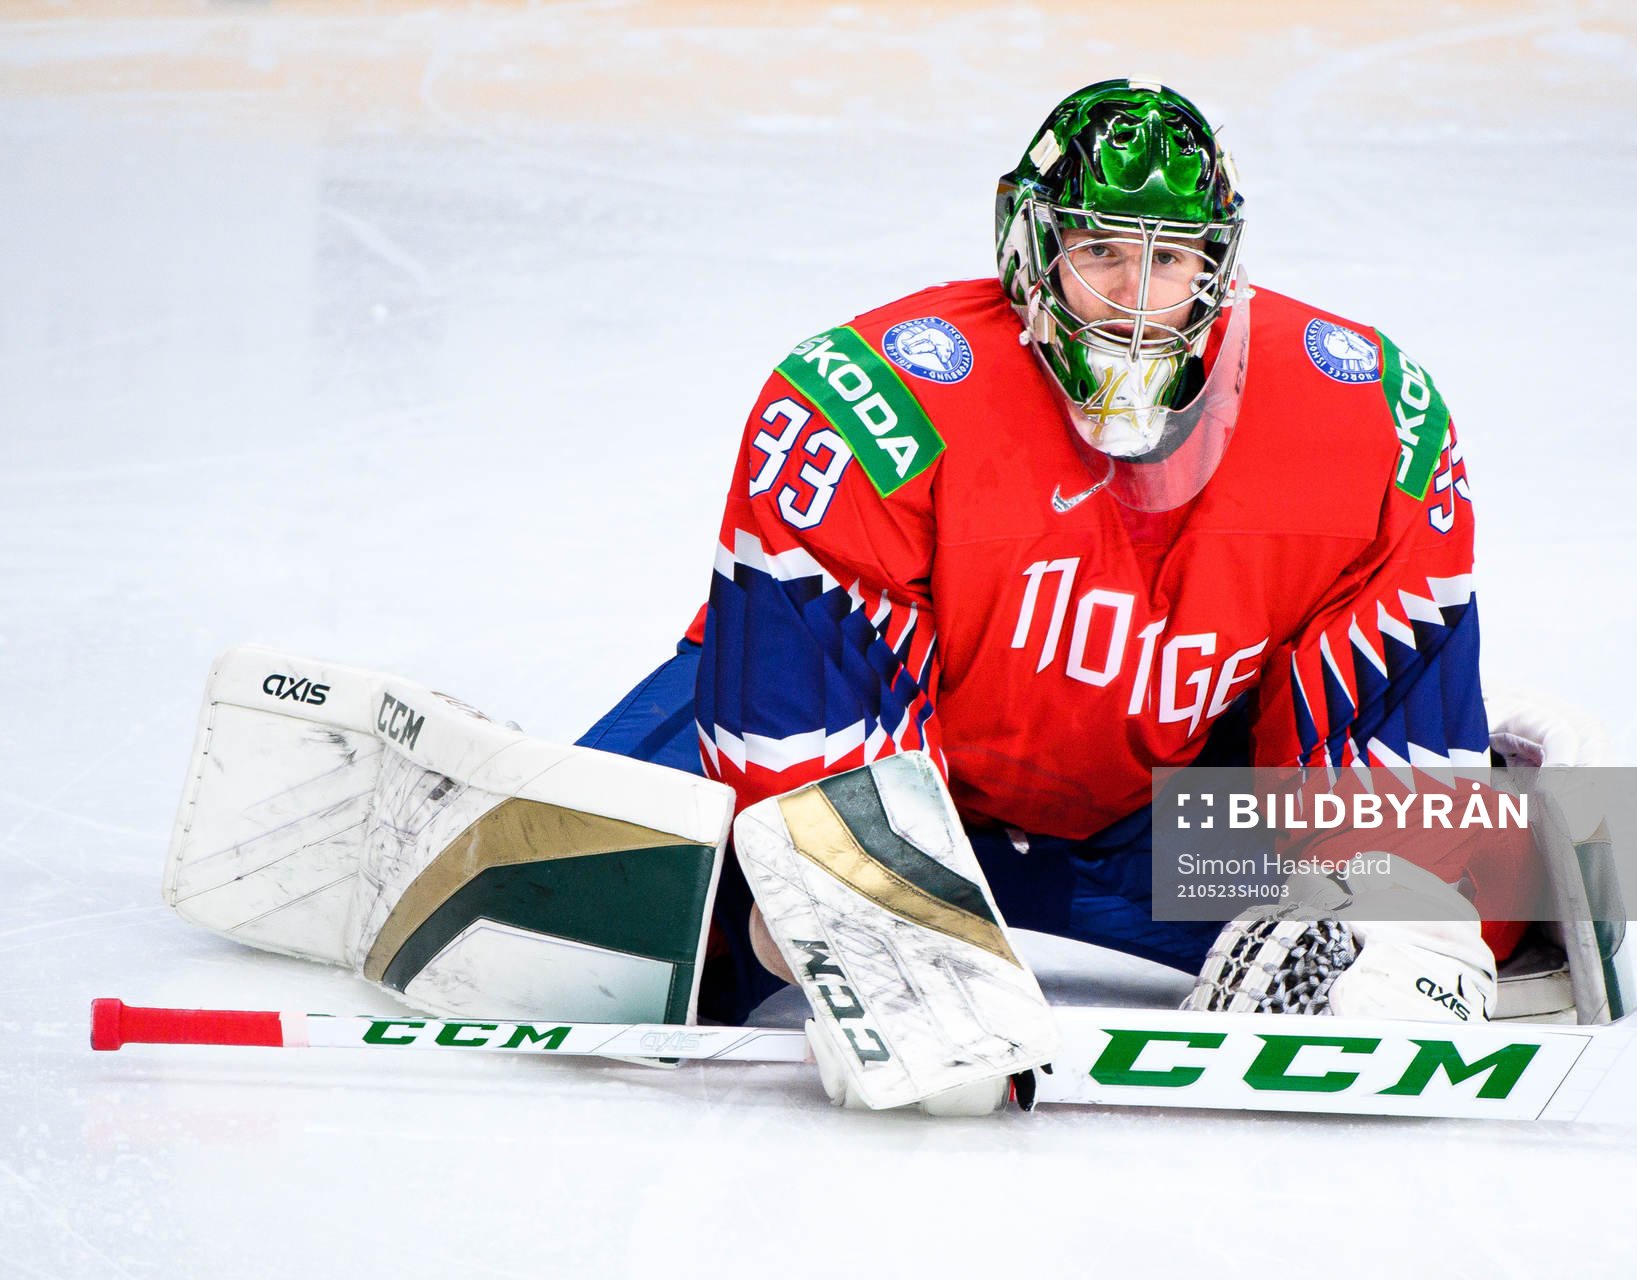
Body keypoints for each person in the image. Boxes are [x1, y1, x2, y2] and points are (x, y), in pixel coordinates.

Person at [579, 79, 1532, 1035]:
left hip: (1158, 826)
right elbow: (803, 765)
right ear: (1031, 252)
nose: (1134, 300)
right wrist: (880, 941)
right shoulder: (871, 406)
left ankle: (1519, 818)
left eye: (1174, 260)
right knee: (615, 910)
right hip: (911, 784)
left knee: (1469, 904)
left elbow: (1378, 716)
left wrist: (1398, 916)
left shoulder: (1372, 419)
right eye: (1101, 251)